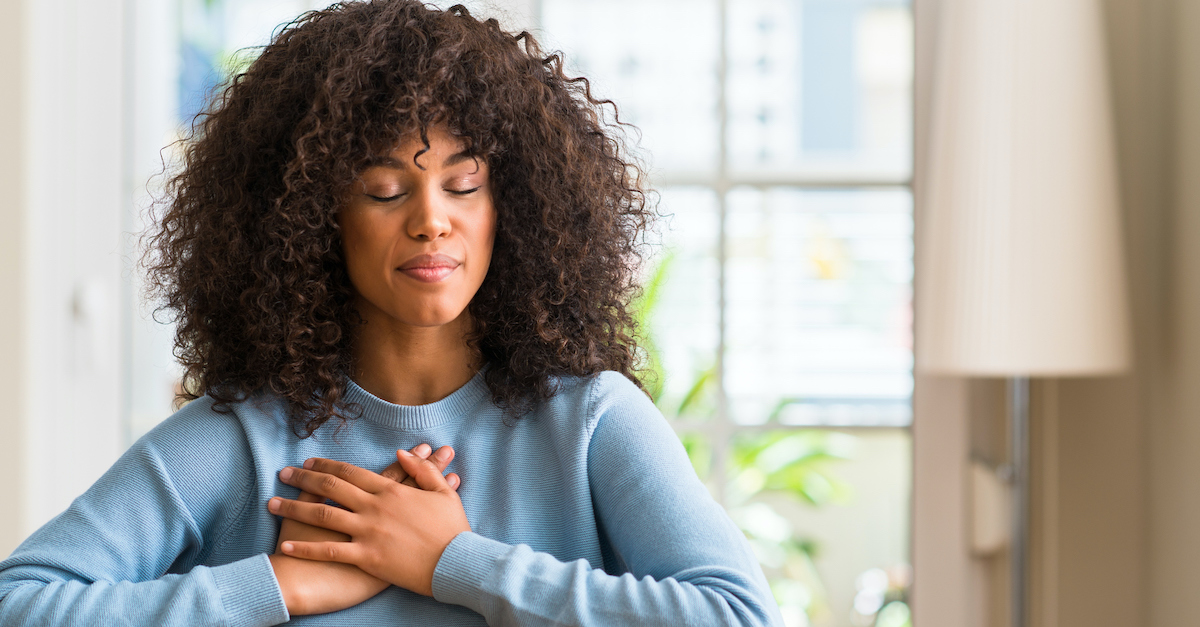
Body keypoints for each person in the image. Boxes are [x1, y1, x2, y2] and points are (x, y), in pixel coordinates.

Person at [0, 1, 783, 625]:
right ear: (311, 216)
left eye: (463, 183)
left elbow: (738, 614)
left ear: (513, 205)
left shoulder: (590, 423)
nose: (430, 219)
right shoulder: (240, 438)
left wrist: (455, 561)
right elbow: (21, 601)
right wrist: (276, 586)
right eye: (383, 189)